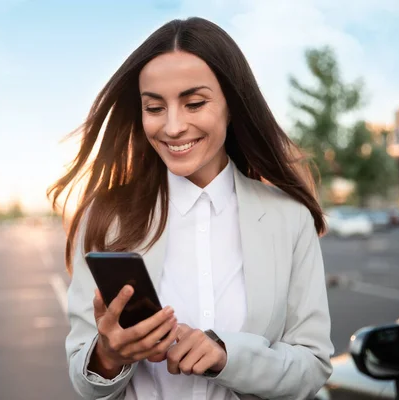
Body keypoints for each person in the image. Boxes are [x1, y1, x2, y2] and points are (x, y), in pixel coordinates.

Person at [48, 16, 334, 400]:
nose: (173, 126)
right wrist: (108, 354)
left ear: (232, 105)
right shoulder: (104, 218)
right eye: (154, 108)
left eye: (194, 103)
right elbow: (85, 381)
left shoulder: (289, 218)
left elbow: (312, 366)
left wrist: (227, 357)